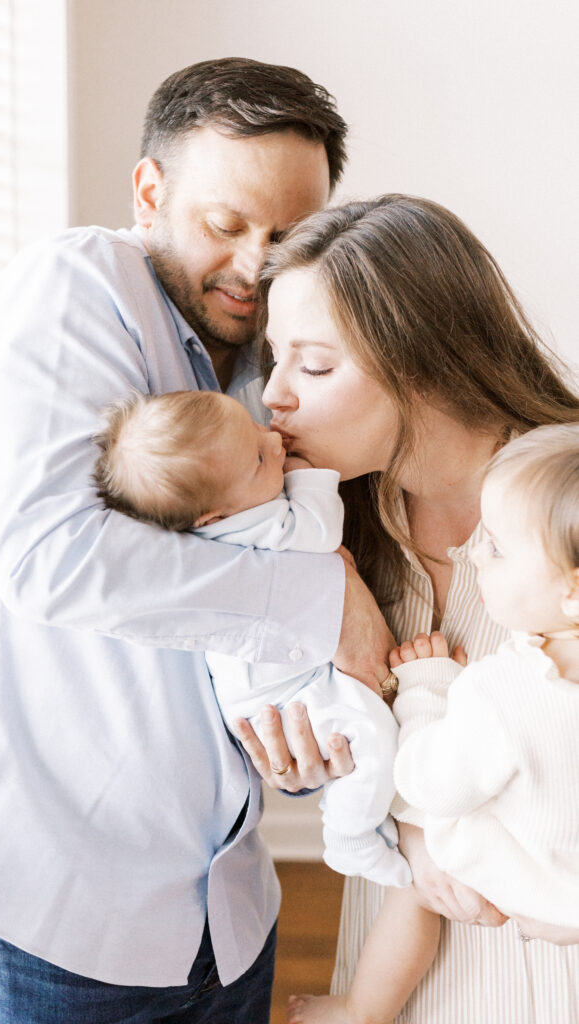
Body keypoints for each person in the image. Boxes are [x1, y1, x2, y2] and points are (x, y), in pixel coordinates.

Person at [0, 58, 394, 1024]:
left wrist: (296, 732)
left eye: (287, 235)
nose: (255, 265)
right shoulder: (73, 289)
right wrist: (321, 608)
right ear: (149, 192)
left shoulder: (273, 356)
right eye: (225, 225)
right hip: (58, 922)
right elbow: (54, 559)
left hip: (227, 912)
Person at [228, 195, 579, 1024]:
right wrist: (322, 761)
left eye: (313, 366)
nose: (273, 396)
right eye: (273, 360)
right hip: (407, 976)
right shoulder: (320, 538)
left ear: (420, 362)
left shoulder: (568, 505)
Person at [291, 423, 579, 1024]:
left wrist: (426, 689)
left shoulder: (505, 686)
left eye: (495, 546)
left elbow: (425, 781)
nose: (471, 553)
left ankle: (360, 1010)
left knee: (416, 856)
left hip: (531, 884)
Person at [93, 388, 411, 886]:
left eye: (255, 426)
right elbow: (319, 530)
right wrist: (307, 472)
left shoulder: (217, 516)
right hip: (283, 699)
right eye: (262, 457)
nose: (274, 439)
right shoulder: (255, 525)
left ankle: (368, 817)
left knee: (363, 743)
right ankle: (352, 838)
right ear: (214, 518)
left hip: (273, 689)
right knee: (370, 735)